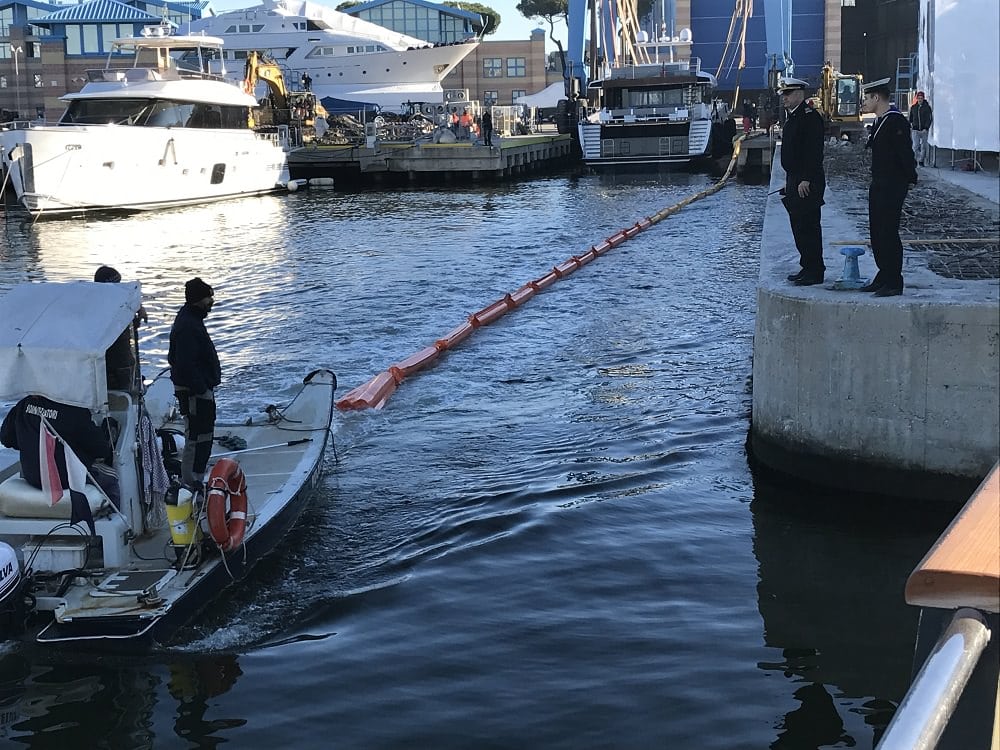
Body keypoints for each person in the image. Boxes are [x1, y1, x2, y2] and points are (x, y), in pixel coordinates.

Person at [1, 394, 119, 526]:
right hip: (65, 480)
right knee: (111, 477)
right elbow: (101, 450)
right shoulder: (73, 408)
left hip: (32, 477)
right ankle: (119, 526)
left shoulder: (23, 405)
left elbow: (6, 438)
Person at [860, 77, 918, 297]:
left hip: (892, 184)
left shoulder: (895, 121)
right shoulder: (880, 120)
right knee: (877, 231)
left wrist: (910, 178)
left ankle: (894, 280)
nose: (864, 103)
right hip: (880, 182)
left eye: (866, 98)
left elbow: (905, 154)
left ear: (876, 97)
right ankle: (883, 273)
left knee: (888, 231)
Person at [168, 278, 221, 489]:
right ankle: (190, 481)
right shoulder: (187, 325)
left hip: (200, 388)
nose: (212, 301)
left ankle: (199, 472)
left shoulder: (192, 319)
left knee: (205, 432)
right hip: (194, 392)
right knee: (196, 434)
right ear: (198, 299)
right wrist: (201, 389)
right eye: (209, 297)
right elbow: (184, 364)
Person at [777, 77, 826, 286]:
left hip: (807, 179)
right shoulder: (793, 117)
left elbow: (813, 152)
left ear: (799, 94)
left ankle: (815, 270)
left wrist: (806, 178)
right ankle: (807, 266)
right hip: (795, 179)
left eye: (788, 94)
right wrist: (790, 182)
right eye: (783, 95)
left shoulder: (809, 117)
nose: (784, 99)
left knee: (808, 226)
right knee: (798, 226)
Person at [94, 265, 148, 392]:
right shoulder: (112, 306)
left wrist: (138, 308)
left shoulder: (99, 303)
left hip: (113, 363)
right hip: (118, 363)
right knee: (125, 393)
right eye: (117, 284)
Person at [908, 90, 932, 166]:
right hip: (915, 129)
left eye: (921, 98)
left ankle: (921, 160)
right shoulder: (914, 107)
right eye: (919, 98)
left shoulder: (927, 107)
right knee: (915, 146)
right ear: (917, 98)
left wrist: (926, 127)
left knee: (924, 146)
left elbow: (929, 118)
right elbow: (911, 117)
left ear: (923, 98)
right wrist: (911, 125)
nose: (920, 100)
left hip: (924, 130)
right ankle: (916, 159)